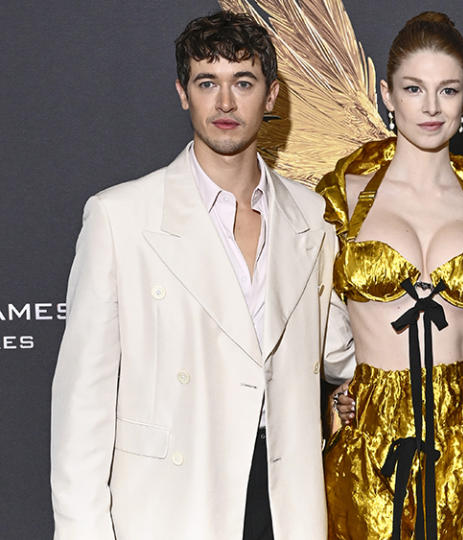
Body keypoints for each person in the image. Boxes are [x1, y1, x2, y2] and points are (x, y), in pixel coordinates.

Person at [50, 12, 339, 540]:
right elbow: (82, 408)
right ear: (184, 93)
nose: (225, 103)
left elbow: (339, 346)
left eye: (243, 83)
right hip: (171, 504)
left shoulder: (315, 218)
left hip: (284, 502)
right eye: (208, 83)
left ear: (271, 96)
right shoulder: (121, 217)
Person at [317, 12, 463, 540]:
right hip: (371, 437)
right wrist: (342, 381)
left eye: (447, 90)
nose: (431, 107)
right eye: (413, 88)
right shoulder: (344, 198)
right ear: (387, 94)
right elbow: (308, 315)